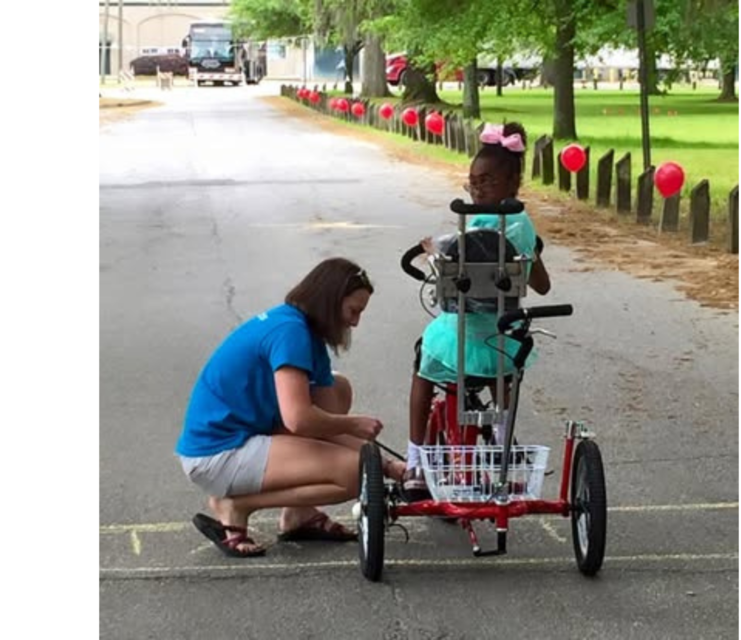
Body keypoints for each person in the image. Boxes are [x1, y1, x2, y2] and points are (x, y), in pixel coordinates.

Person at [176, 257, 406, 557]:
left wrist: (389, 466)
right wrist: (355, 428)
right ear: (331, 301)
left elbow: (322, 423)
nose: (355, 322)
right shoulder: (291, 334)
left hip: (246, 434)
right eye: (353, 311)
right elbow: (299, 420)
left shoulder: (302, 329)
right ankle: (236, 505)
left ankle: (300, 514)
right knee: (357, 472)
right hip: (217, 454)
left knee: (337, 389)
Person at [402, 122, 552, 501]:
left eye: (486, 181)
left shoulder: (475, 230)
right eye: (473, 182)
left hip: (461, 333)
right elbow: (542, 285)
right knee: (500, 366)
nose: (478, 188)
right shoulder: (523, 226)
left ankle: (415, 457)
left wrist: (433, 249)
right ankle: (502, 437)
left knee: (423, 365)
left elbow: (452, 261)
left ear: (511, 182)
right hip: (502, 337)